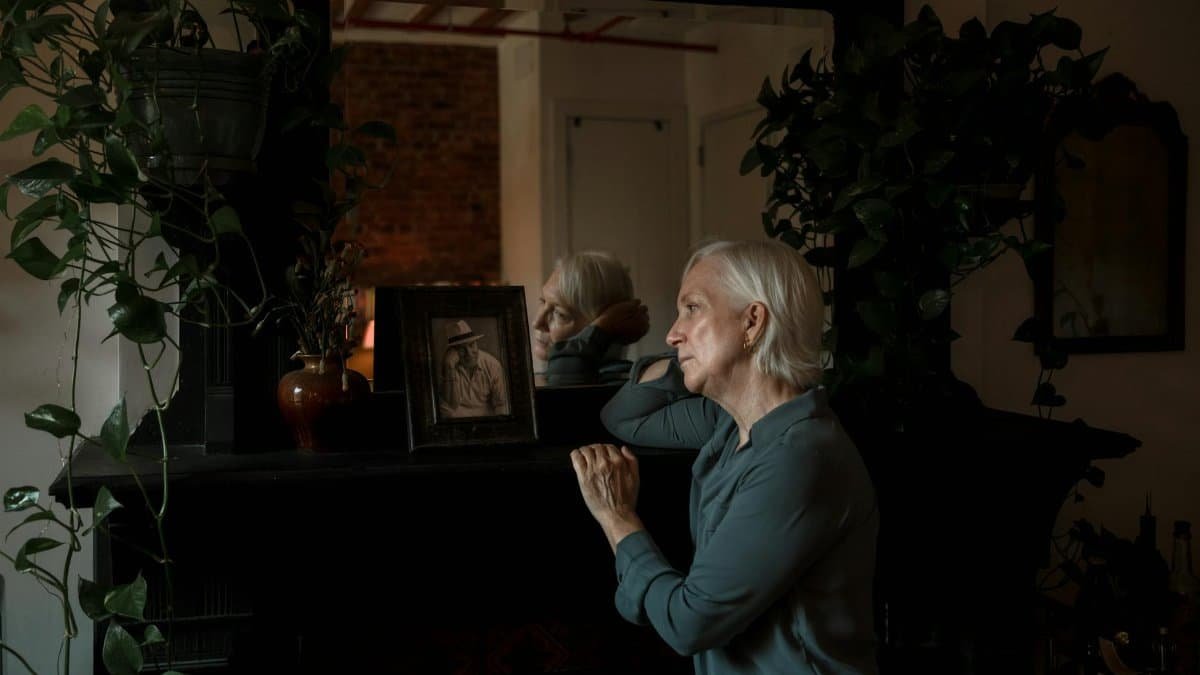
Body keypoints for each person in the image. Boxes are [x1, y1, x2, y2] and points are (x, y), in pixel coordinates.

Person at [569, 240, 879, 674]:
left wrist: (617, 517)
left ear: (752, 322)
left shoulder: (802, 458)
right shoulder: (727, 424)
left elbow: (688, 624)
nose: (671, 332)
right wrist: (691, 356)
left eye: (692, 308)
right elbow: (624, 416)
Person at [532, 251, 650, 386]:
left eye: (560, 314)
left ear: (610, 321)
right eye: (542, 301)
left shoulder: (619, 386)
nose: (537, 322)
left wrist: (601, 330)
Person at [438, 319, 509, 418]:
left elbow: (501, 404)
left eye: (471, 345)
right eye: (462, 349)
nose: (469, 353)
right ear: (453, 352)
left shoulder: (492, 365)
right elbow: (450, 405)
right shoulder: (449, 366)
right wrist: (449, 368)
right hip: (459, 422)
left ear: (476, 343)